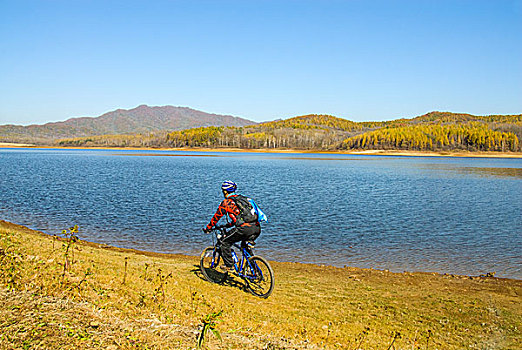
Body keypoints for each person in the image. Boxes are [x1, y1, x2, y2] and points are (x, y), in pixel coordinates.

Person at [203, 180, 266, 272]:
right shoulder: (244, 199)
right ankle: (255, 271)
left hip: (244, 228)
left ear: (225, 191)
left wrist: (208, 228)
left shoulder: (226, 203)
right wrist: (230, 225)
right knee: (245, 247)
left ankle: (229, 265)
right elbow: (240, 218)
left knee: (225, 242)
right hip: (256, 227)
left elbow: (216, 217)